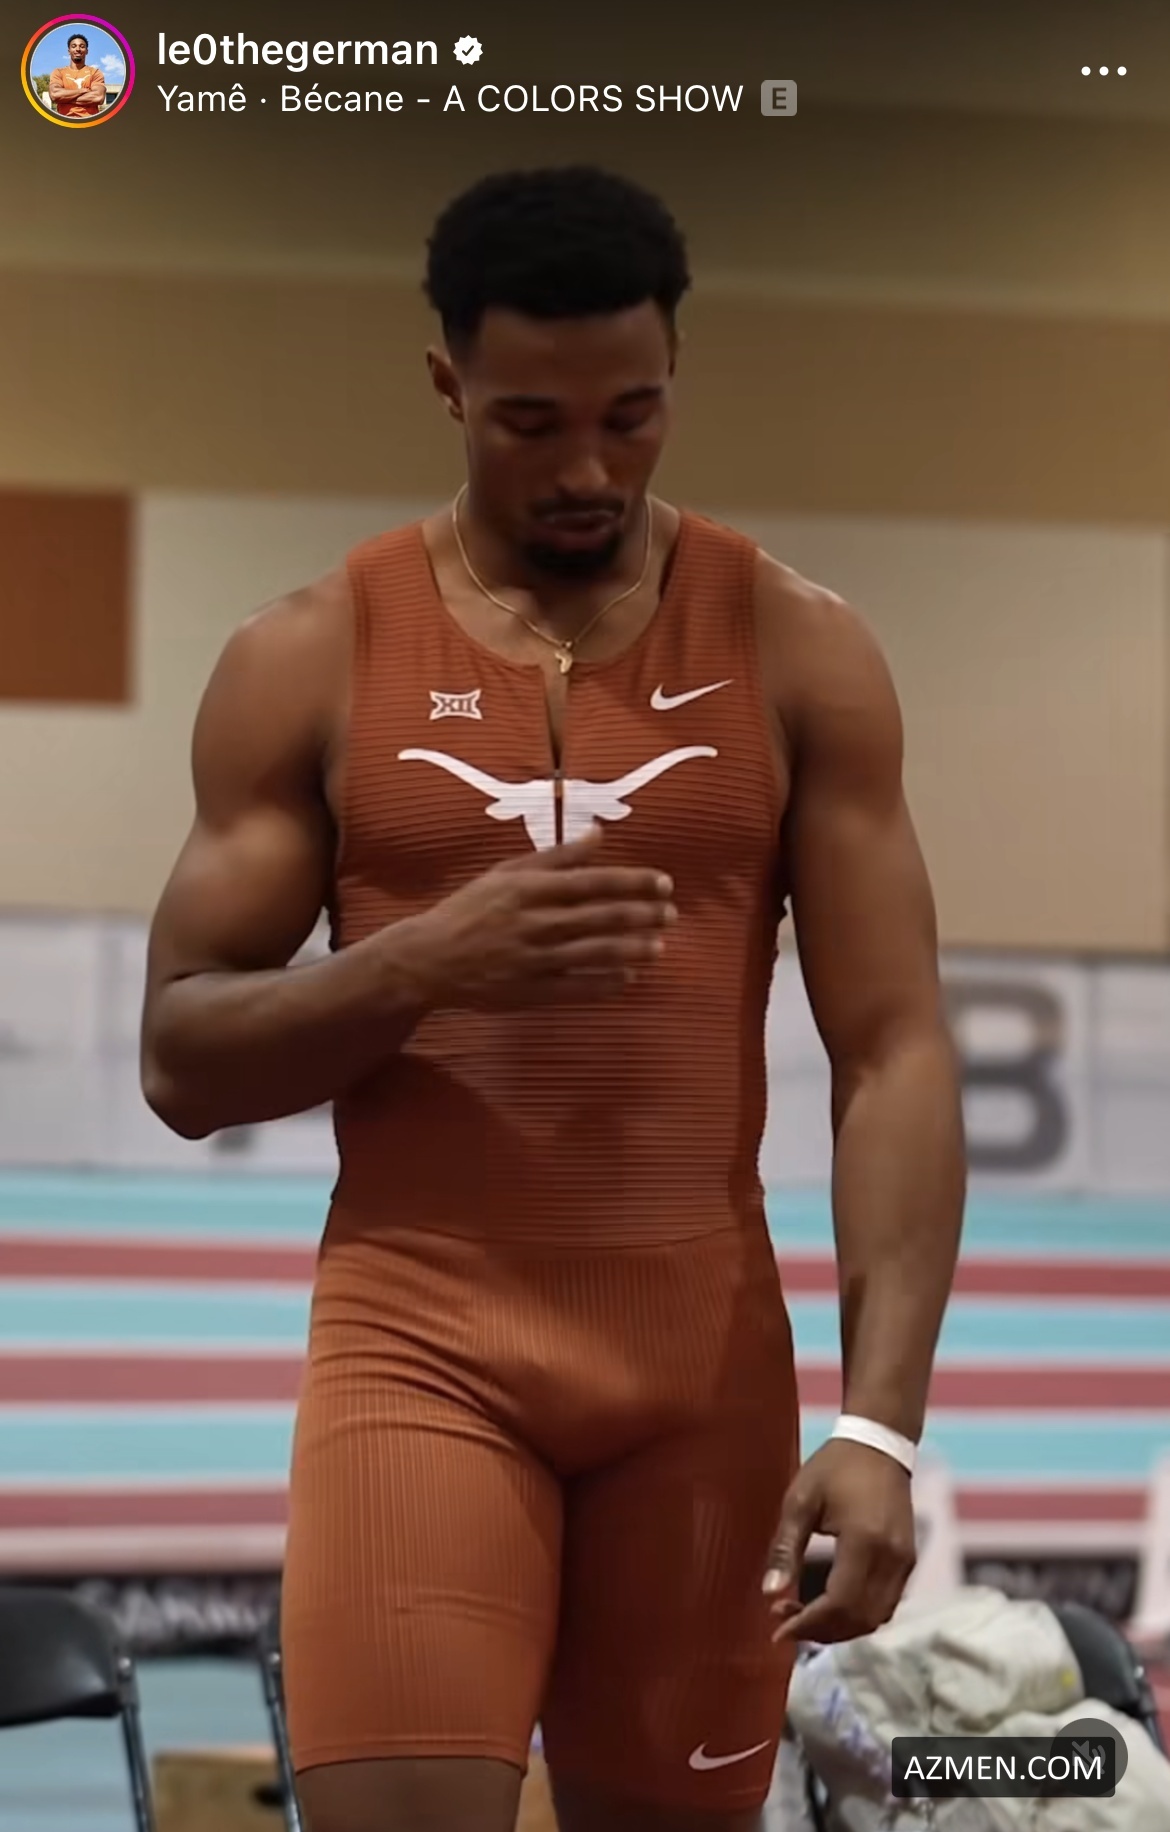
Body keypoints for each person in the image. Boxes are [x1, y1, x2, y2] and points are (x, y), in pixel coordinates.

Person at [140, 166, 966, 1832]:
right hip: (420, 1354)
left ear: (673, 377)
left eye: (629, 414)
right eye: (531, 421)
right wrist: (420, 960)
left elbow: (891, 1050)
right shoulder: (308, 658)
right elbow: (182, 1055)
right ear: (446, 383)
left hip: (703, 1380)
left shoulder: (801, 653)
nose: (588, 468)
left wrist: (882, 1428)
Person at [48, 33, 105, 118]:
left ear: (87, 51)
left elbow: (98, 97)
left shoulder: (95, 72)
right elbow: (55, 94)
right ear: (69, 51)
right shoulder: (58, 72)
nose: (78, 49)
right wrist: (83, 91)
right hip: (64, 121)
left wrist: (65, 98)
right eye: (74, 46)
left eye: (82, 46)